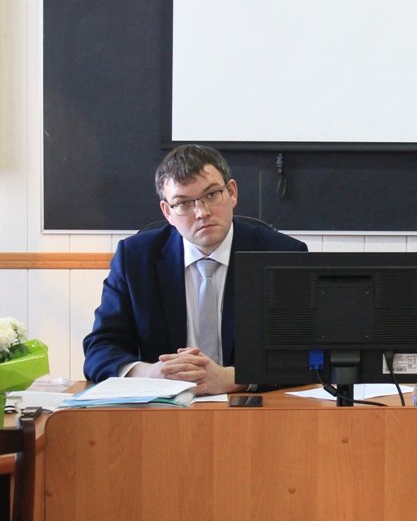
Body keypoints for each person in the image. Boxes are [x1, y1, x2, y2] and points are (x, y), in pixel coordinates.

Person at [83, 144, 307, 394]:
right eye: (183, 203)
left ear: (232, 192)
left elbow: (307, 354)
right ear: (167, 212)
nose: (202, 212)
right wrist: (150, 374)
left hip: (249, 405)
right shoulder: (135, 259)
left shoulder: (282, 255)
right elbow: (100, 349)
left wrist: (234, 377)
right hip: (165, 408)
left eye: (211, 195)